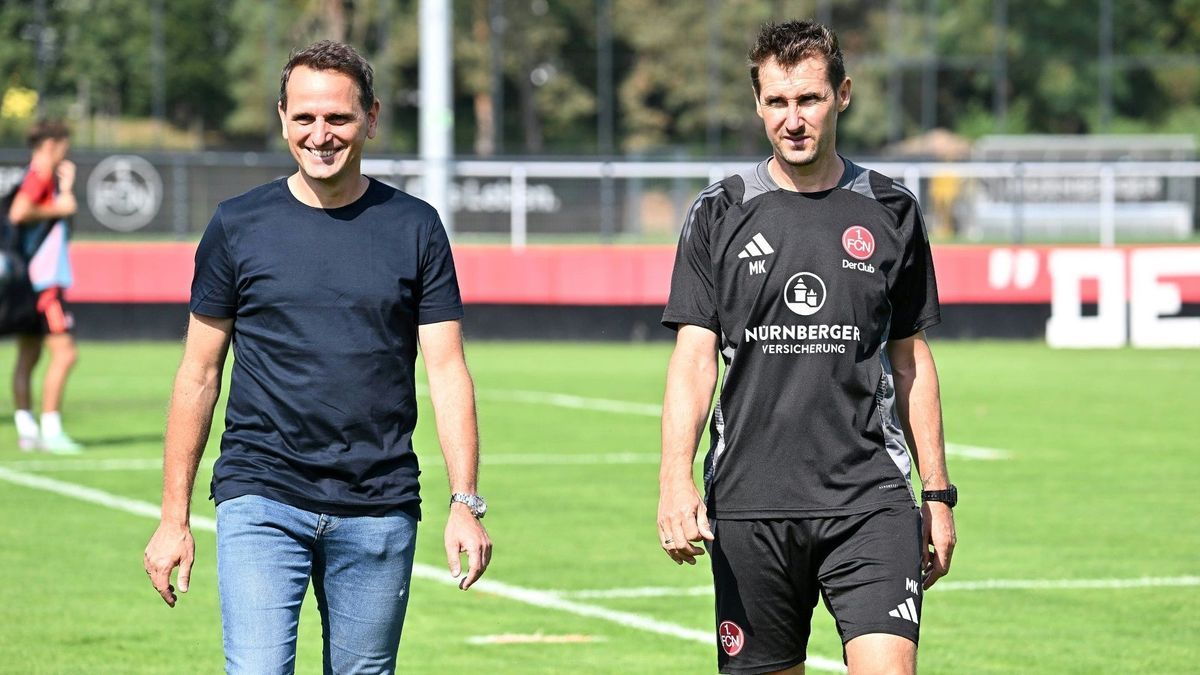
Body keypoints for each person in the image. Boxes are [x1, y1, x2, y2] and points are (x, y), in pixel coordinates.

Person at [143, 40, 491, 673]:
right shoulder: (236, 225)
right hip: (262, 494)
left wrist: (464, 501)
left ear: (371, 118)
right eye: (304, 118)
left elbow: (447, 371)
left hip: (381, 503)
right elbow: (197, 373)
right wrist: (174, 518)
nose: (320, 134)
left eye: (338, 118)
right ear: (282, 118)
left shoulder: (416, 227)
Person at [658, 20, 956, 675]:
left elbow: (909, 359)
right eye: (778, 102)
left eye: (809, 99)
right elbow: (693, 358)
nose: (793, 119)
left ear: (842, 95)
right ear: (758, 103)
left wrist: (937, 494)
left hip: (869, 498)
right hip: (749, 502)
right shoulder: (719, 212)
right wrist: (674, 478)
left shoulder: (891, 209)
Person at [7, 119, 82, 454]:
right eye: (64, 145)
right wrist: (61, 205)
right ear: (51, 144)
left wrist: (65, 188)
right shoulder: (37, 175)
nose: (67, 151)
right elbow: (20, 212)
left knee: (29, 354)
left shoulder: (34, 175)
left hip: (27, 283)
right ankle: (51, 429)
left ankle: (27, 430)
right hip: (43, 283)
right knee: (65, 354)